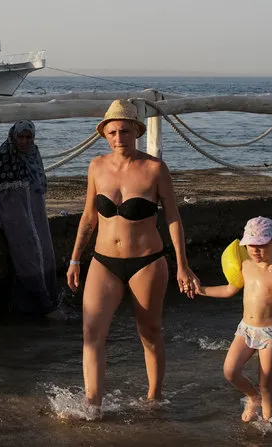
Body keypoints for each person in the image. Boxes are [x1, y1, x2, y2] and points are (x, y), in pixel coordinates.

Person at [66, 99, 199, 418]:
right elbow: (88, 217)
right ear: (105, 135)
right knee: (92, 332)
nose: (118, 137)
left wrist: (182, 264)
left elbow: (172, 218)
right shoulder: (96, 166)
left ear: (136, 131)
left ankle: (154, 397)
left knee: (149, 331)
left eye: (124, 130)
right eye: (111, 132)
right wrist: (74, 260)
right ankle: (93, 405)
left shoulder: (154, 168)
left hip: (147, 262)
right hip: (103, 262)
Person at [197, 216, 272, 422]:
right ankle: (253, 397)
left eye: (262, 245)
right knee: (230, 371)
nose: (256, 251)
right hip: (246, 329)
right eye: (252, 246)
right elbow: (228, 290)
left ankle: (269, 425)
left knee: (266, 383)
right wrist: (200, 290)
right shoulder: (246, 265)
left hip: (270, 333)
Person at [0, 120, 64, 320]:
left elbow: (40, 185)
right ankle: (42, 306)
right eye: (21, 137)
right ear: (14, 136)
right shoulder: (2, 156)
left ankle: (45, 302)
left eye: (29, 137)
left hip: (36, 213)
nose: (25, 142)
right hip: (15, 215)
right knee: (27, 259)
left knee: (45, 254)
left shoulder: (35, 155)